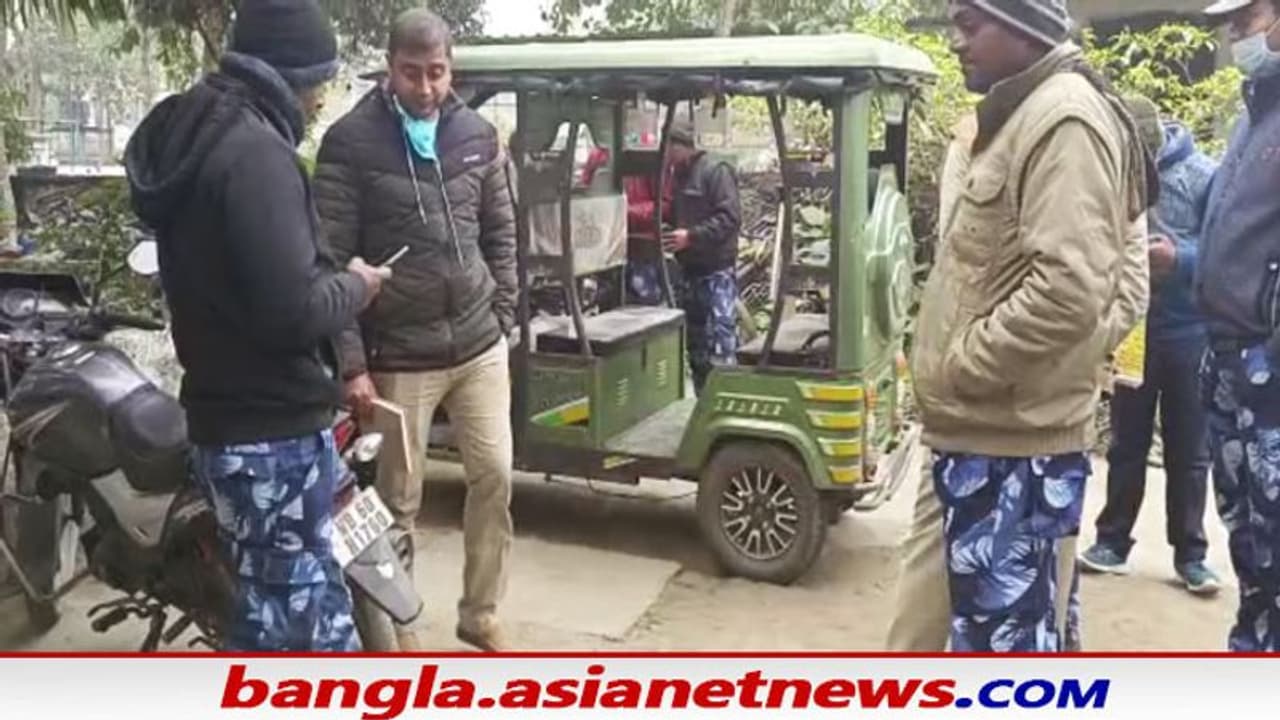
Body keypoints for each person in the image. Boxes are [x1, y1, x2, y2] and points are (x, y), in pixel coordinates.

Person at [123, 0, 390, 651]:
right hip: (272, 433)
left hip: (232, 424)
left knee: (286, 608)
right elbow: (293, 310)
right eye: (321, 81)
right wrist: (357, 285)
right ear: (293, 75)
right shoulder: (256, 156)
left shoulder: (199, 138)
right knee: (294, 632)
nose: (321, 99)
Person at [907, 0, 1153, 652]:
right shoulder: (1020, 114)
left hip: (1010, 447)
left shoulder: (1064, 120)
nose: (955, 40)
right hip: (981, 435)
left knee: (1003, 666)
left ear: (1025, 25)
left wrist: (963, 365)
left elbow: (1072, 290)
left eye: (970, 23)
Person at [314, 8, 517, 653]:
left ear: (451, 68)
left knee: (496, 477)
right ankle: (399, 633)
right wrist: (353, 365)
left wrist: (505, 313)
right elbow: (329, 261)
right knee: (398, 501)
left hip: (478, 343)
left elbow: (501, 231)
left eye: (436, 73)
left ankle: (480, 613)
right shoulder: (350, 143)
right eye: (411, 73)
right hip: (401, 354)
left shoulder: (477, 134)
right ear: (388, 68)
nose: (425, 87)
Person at [1079, 98, 1222, 596]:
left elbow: (1224, 248)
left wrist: (1179, 258)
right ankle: (1112, 542)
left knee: (1189, 448)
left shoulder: (1204, 175)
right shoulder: (1116, 170)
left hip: (1190, 331)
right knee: (1126, 441)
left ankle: (1192, 555)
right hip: (1132, 330)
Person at [1196, 0, 1280, 652]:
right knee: (1245, 526)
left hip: (1266, 362)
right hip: (1226, 356)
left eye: (1244, 20)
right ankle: (1252, 644)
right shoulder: (1250, 118)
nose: (1232, 34)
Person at [660, 120, 742, 394]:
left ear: (680, 146)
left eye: (668, 148)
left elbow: (729, 218)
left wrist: (691, 236)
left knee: (721, 342)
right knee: (696, 346)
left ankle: (725, 399)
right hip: (690, 273)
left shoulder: (715, 171)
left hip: (716, 274)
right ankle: (702, 401)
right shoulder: (678, 175)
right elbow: (675, 214)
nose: (666, 156)